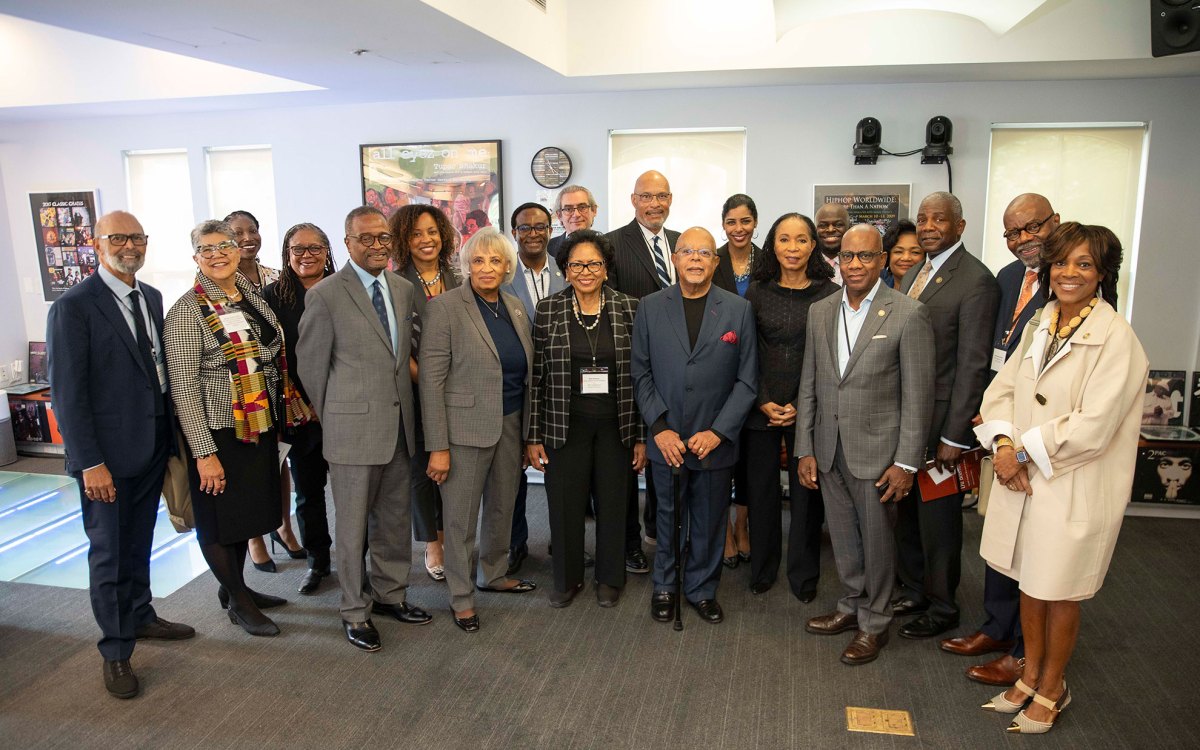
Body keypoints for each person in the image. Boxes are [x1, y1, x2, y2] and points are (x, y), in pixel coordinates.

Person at [975, 222, 1148, 733]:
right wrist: (1004, 444)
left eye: (1084, 264)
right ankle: (1029, 678)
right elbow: (1001, 390)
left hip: (1072, 482)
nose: (1069, 273)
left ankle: (1053, 686)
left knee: (1061, 590)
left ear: (1102, 273)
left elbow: (1094, 425)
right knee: (1029, 580)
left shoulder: (1117, 338)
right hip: (1023, 475)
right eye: (1061, 263)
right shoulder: (1042, 321)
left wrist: (1021, 455)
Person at [47, 210, 194, 699]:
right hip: (105, 459)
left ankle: (141, 616)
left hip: (151, 446)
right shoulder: (75, 306)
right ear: (95, 243)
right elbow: (68, 394)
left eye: (136, 237)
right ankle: (115, 651)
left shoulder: (149, 297)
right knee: (109, 553)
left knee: (139, 542)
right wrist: (89, 462)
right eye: (118, 237)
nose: (129, 245)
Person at [797, 224, 935, 666]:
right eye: (847, 257)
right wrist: (805, 448)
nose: (855, 264)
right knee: (843, 538)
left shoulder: (908, 313)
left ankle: (874, 624)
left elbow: (918, 396)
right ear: (838, 260)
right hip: (829, 447)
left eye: (865, 256)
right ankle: (851, 606)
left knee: (877, 542)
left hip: (878, 454)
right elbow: (810, 384)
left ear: (882, 260)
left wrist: (907, 463)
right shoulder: (820, 311)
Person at [297, 206, 431, 652]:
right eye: (366, 239)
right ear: (348, 243)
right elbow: (312, 370)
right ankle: (355, 611)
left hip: (399, 426)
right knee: (353, 528)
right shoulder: (325, 295)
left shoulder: (403, 288)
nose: (376, 246)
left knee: (393, 521)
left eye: (382, 238)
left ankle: (390, 595)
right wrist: (338, 414)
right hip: (352, 432)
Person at [943, 193, 1059, 687]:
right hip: (999, 424)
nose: (1022, 240)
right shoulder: (1008, 278)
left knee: (1034, 545)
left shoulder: (1072, 280)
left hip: (1042, 434)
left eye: (1031, 228)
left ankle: (1024, 650)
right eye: (1012, 233)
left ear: (1055, 223)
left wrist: (1025, 442)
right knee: (998, 531)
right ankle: (996, 625)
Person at [165, 220, 301, 638]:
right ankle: (239, 602)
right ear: (195, 259)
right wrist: (204, 454)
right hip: (219, 432)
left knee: (242, 516)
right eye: (207, 250)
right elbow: (184, 389)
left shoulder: (249, 298)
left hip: (255, 424)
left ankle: (236, 588)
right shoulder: (187, 311)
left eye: (224, 245)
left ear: (238, 248)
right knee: (218, 521)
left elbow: (269, 351)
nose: (218, 254)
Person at [631, 227, 758, 626]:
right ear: (675, 258)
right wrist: (660, 427)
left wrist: (719, 431)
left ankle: (702, 588)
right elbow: (641, 372)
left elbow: (747, 380)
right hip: (666, 439)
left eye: (704, 252)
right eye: (687, 251)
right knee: (666, 518)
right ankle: (665, 585)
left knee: (709, 519)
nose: (696, 259)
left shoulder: (737, 310)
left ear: (715, 261)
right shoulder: (650, 307)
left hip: (713, 441)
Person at [893, 192, 1000, 640]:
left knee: (938, 520)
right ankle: (915, 590)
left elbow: (973, 364)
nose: (929, 226)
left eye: (940, 218)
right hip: (905, 417)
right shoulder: (918, 270)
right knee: (907, 514)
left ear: (961, 224)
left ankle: (942, 606)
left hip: (942, 424)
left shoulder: (976, 280)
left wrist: (956, 436)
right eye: (922, 219)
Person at [420, 228, 536, 633]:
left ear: (508, 267)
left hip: (510, 422)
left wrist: (527, 434)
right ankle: (461, 596)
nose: (487, 268)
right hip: (462, 431)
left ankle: (495, 572)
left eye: (496, 261)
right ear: (466, 265)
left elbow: (527, 373)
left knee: (503, 507)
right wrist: (437, 446)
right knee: (461, 519)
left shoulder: (517, 307)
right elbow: (430, 382)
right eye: (479, 260)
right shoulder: (446, 308)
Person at [526, 230, 645, 607]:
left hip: (617, 423)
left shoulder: (630, 308)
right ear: (565, 270)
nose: (586, 271)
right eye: (576, 264)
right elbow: (537, 376)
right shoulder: (549, 309)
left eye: (594, 263)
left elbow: (642, 374)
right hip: (565, 423)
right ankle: (567, 577)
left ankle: (610, 577)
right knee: (564, 504)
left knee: (613, 503)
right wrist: (533, 435)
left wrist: (641, 435)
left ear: (606, 269)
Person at [743, 213, 839, 598]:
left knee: (806, 496)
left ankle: (803, 575)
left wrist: (802, 403)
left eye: (801, 240)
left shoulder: (830, 293)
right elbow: (747, 351)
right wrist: (764, 399)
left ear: (813, 245)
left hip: (809, 410)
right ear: (773, 245)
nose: (793, 248)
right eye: (785, 240)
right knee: (761, 493)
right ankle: (762, 570)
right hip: (760, 407)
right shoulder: (757, 291)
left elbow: (830, 358)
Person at [607, 169, 681, 572]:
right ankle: (630, 543)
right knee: (628, 459)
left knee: (665, 446)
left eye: (662, 196)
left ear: (671, 199)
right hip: (630, 367)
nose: (655, 204)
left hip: (674, 370)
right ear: (633, 200)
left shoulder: (681, 243)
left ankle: (658, 529)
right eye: (647, 196)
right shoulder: (613, 244)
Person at [224, 209, 304, 571]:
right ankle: (256, 538)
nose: (247, 238)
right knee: (252, 466)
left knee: (281, 460)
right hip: (242, 389)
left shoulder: (276, 276)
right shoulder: (221, 282)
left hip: (278, 383)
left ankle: (283, 527)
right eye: (238, 233)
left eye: (252, 230)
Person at [262, 223, 336, 595]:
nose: (306, 255)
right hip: (297, 413)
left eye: (314, 247)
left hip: (342, 411)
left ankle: (360, 562)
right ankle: (317, 561)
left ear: (327, 250)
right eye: (297, 249)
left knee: (356, 493)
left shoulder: (345, 290)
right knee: (308, 492)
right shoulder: (272, 297)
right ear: (286, 254)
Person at [389, 204, 461, 583]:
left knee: (454, 467)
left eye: (432, 231)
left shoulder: (459, 277)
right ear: (404, 239)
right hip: (416, 391)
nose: (426, 239)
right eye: (416, 233)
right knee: (422, 469)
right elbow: (399, 348)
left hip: (459, 391)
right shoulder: (397, 286)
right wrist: (430, 382)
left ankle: (452, 535)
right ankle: (432, 543)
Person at [502, 202, 566, 574]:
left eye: (540, 226)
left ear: (550, 229)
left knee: (561, 472)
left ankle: (563, 540)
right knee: (512, 474)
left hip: (559, 388)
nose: (533, 233)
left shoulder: (567, 269)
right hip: (517, 387)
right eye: (524, 228)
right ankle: (515, 543)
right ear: (514, 233)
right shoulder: (502, 274)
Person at [713, 194, 761, 568]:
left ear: (755, 223)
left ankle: (743, 526)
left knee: (749, 459)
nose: (738, 228)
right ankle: (725, 530)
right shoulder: (710, 260)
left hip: (756, 368)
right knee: (721, 455)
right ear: (723, 224)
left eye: (745, 221)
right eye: (732, 221)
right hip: (718, 369)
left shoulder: (770, 261)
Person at [549, 185, 599, 260]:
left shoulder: (610, 246)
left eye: (582, 207)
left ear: (594, 210)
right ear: (559, 215)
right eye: (568, 209)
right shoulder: (547, 249)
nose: (576, 215)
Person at [814, 202, 850, 283]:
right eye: (823, 225)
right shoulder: (804, 264)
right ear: (815, 230)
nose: (830, 230)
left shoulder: (860, 265)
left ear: (849, 227)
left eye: (838, 225)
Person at [881, 219, 923, 288]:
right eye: (898, 252)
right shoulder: (875, 291)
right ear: (887, 257)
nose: (906, 258)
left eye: (915, 252)